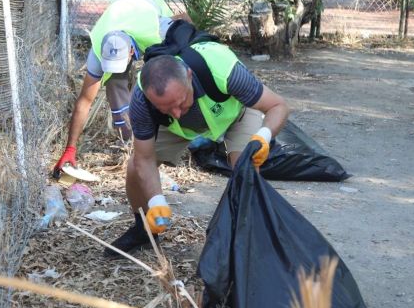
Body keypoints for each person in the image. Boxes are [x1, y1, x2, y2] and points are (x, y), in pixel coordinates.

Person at [105, 40, 290, 256]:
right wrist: (156, 200)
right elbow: (144, 158)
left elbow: (278, 106)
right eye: (165, 107)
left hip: (234, 114)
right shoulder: (141, 100)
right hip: (178, 130)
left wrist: (263, 136)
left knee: (245, 170)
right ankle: (144, 230)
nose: (176, 112)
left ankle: (247, 239)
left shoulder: (223, 70)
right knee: (134, 168)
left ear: (190, 76)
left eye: (181, 102)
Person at [52, 0, 190, 178]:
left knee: (160, 83)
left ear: (132, 51)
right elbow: (84, 101)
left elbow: (185, 20)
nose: (116, 69)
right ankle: (132, 146)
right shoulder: (98, 47)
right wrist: (70, 147)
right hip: (118, 11)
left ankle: (162, 138)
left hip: (146, 4)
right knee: (114, 84)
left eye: (120, 63)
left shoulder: (157, 29)